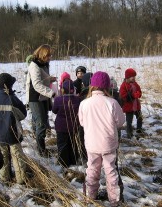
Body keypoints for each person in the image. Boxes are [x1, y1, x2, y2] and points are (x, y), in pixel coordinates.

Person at [78, 71, 125, 207]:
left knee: (92, 169)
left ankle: (90, 196)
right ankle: (114, 200)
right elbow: (120, 122)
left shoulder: (84, 104)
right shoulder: (112, 102)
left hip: (92, 144)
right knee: (111, 171)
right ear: (107, 87)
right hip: (108, 144)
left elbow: (82, 122)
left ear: (92, 85)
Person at [0, 73, 28, 184]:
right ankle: (21, 179)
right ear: (9, 86)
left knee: (2, 156)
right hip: (12, 133)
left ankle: (4, 177)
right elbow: (23, 114)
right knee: (17, 156)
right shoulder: (12, 99)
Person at [25, 44, 57, 157]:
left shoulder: (45, 64)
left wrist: (50, 79)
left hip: (43, 96)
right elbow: (37, 84)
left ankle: (36, 137)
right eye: (48, 55)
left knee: (41, 120)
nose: (50, 57)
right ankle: (41, 150)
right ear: (42, 54)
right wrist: (51, 93)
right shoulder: (34, 66)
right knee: (41, 123)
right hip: (35, 97)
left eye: (50, 55)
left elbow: (43, 77)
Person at [52, 80, 81, 167]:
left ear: (62, 90)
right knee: (73, 144)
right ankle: (73, 160)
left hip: (61, 127)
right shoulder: (77, 99)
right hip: (74, 126)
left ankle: (63, 162)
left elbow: (54, 111)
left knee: (62, 144)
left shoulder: (58, 100)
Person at [119, 68, 143, 138]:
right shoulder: (124, 85)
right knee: (129, 121)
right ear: (127, 77)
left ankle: (139, 130)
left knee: (139, 118)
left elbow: (139, 91)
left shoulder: (135, 84)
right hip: (128, 107)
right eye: (132, 76)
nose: (133, 78)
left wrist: (139, 94)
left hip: (136, 106)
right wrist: (132, 95)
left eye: (134, 76)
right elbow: (123, 96)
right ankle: (129, 134)